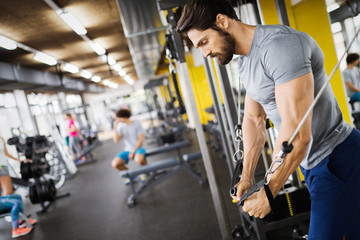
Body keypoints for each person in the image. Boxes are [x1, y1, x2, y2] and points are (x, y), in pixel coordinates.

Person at [176, 0, 360, 239]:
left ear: (222, 22)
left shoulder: (279, 47)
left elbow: (299, 134)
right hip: (313, 165)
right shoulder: (244, 59)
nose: (205, 52)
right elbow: (254, 118)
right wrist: (247, 175)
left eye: (204, 41)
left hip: (337, 159)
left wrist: (269, 192)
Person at [111, 108, 147, 183]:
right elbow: (116, 140)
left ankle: (146, 172)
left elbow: (141, 140)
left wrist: (133, 152)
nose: (118, 120)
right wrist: (115, 127)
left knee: (139, 160)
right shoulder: (120, 126)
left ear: (123, 117)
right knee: (115, 164)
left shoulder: (136, 124)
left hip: (139, 148)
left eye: (118, 118)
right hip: (128, 150)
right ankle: (132, 175)